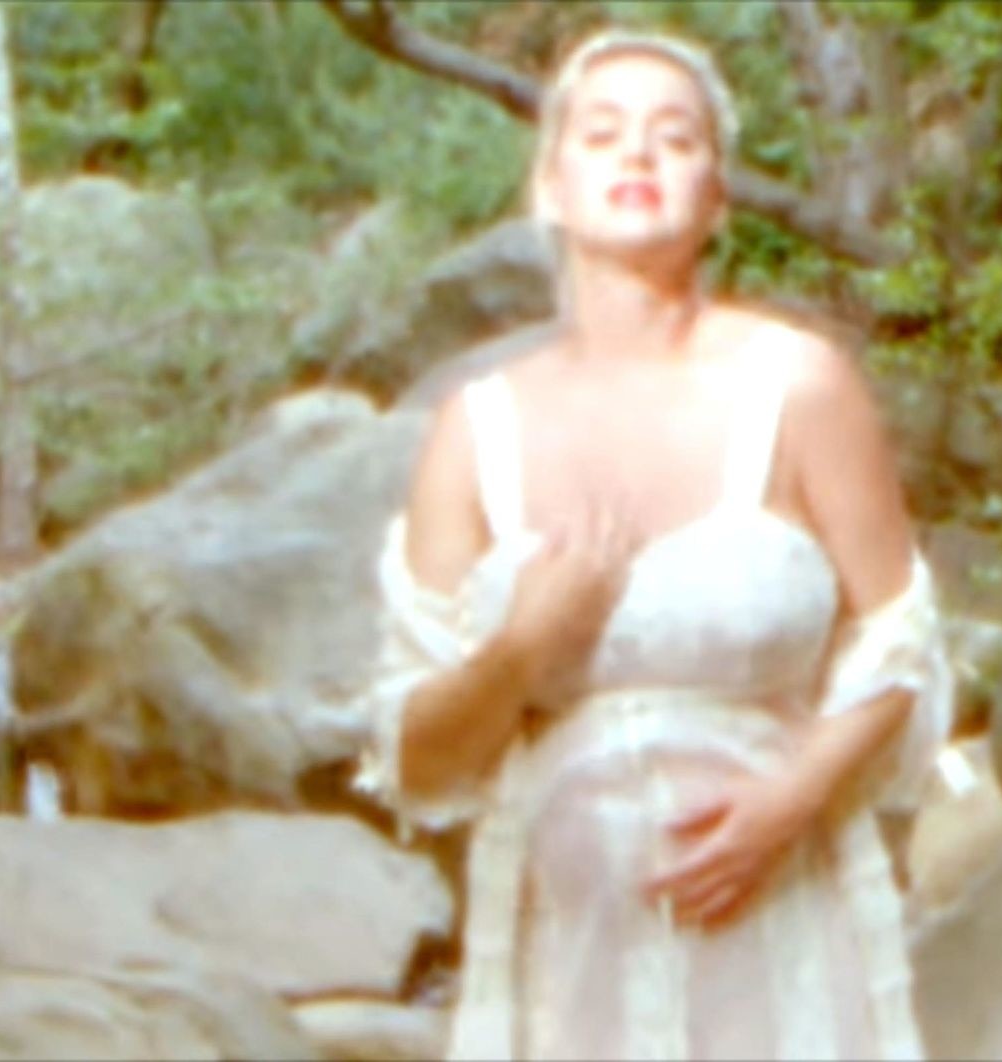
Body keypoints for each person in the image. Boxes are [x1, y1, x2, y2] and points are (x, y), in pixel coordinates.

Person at [356, 27, 954, 1061]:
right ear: (549, 187)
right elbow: (415, 758)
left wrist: (793, 800)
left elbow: (902, 640)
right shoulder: (474, 426)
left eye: (675, 138)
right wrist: (520, 652)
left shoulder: (798, 384)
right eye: (602, 134)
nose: (638, 153)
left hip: (782, 944)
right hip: (568, 974)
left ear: (716, 199)